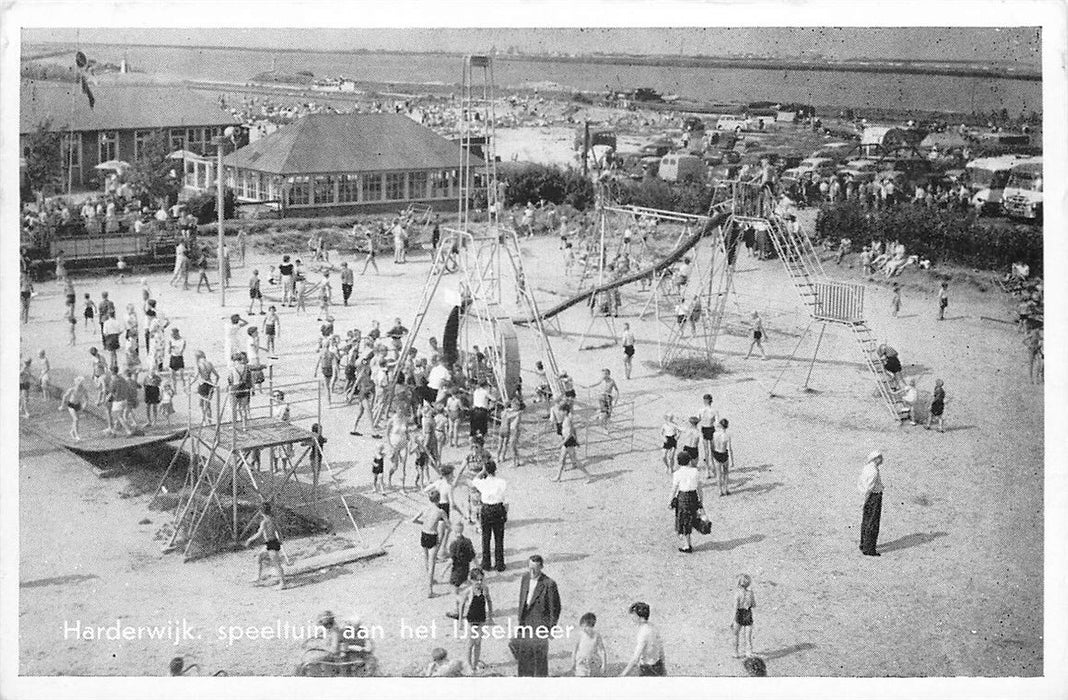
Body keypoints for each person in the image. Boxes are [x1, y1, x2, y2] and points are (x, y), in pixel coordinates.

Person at [513, 555, 562, 677]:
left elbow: (555, 608)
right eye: (530, 568)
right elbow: (522, 600)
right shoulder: (525, 578)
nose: (532, 571)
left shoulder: (549, 584)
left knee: (540, 659)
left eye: (535, 568)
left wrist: (551, 628)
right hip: (525, 623)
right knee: (523, 656)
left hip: (540, 625)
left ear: (541, 567)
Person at [471, 460, 507, 572]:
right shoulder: (501, 482)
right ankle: (499, 563)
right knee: (499, 538)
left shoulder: (483, 482)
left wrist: (482, 471)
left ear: (486, 470)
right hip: (498, 508)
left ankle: (486, 563)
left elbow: (474, 480)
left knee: (486, 537)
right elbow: (506, 500)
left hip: (486, 509)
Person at [413, 489, 447, 598]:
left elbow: (413, 520)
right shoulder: (440, 512)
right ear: (439, 499)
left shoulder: (424, 508)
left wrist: (424, 523)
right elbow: (448, 524)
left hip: (424, 534)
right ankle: (430, 590)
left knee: (426, 558)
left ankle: (430, 580)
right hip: (432, 536)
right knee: (432, 562)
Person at [244, 503, 287, 589]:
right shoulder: (273, 519)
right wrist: (281, 540)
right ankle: (258, 577)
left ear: (261, 512)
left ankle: (282, 583)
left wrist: (249, 540)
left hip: (271, 543)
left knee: (276, 564)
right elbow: (278, 531)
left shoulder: (264, 522)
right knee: (260, 557)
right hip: (272, 543)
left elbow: (259, 533)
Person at [460, 567, 494, 671]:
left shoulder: (485, 589)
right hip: (471, 619)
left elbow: (489, 601)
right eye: (477, 580)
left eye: (481, 579)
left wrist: (490, 616)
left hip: (481, 618)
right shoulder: (469, 591)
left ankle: (475, 664)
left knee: (478, 642)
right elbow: (461, 605)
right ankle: (469, 664)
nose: (479, 582)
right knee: (470, 643)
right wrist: (460, 621)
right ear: (472, 580)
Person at [619, 602, 666, 676]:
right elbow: (661, 652)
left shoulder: (643, 632)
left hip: (648, 670)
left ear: (637, 615)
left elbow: (635, 659)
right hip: (658, 667)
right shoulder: (653, 628)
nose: (632, 618)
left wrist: (622, 675)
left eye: (633, 615)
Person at [670, 451, 703, 553]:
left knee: (683, 520)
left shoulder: (677, 474)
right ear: (689, 461)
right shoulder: (695, 472)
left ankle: (687, 545)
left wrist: (670, 501)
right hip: (693, 496)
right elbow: (699, 488)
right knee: (690, 518)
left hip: (682, 497)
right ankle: (687, 541)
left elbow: (674, 489)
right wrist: (701, 500)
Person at [858, 451, 884, 557]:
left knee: (866, 521)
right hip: (873, 496)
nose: (882, 460)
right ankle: (869, 549)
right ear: (876, 459)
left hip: (869, 496)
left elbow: (861, 483)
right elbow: (869, 487)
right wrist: (866, 498)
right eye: (880, 458)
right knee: (873, 522)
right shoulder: (874, 471)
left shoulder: (866, 468)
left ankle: (864, 544)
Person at [572, 612, 608, 677]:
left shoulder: (596, 636)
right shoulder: (580, 635)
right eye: (582, 627)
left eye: (586, 626)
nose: (584, 629)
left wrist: (604, 664)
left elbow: (602, 650)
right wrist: (573, 663)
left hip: (592, 663)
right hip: (581, 663)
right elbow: (574, 650)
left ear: (592, 626)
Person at [555, 401, 584, 481]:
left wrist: (562, 443)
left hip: (568, 442)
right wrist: (576, 440)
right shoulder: (566, 419)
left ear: (565, 411)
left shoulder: (567, 420)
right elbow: (573, 430)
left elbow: (570, 433)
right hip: (567, 442)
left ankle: (588, 475)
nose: (559, 413)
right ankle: (558, 477)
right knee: (561, 460)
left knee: (575, 461)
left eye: (561, 411)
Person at [732, 574, 756, 657]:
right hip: (748, 613)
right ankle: (748, 652)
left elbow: (735, 607)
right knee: (747, 636)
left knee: (735, 634)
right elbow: (753, 604)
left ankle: (736, 652)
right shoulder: (750, 593)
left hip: (739, 613)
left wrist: (732, 620)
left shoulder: (737, 593)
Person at [58, 376, 89, 441]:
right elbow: (64, 396)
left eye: (81, 385)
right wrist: (62, 406)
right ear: (76, 384)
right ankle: (77, 435)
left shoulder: (84, 390)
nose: (80, 386)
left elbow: (86, 399)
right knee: (76, 419)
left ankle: (72, 432)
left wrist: (83, 407)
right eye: (79, 385)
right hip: (71, 405)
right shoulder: (72, 389)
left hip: (78, 405)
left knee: (76, 421)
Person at [713, 418, 734, 496]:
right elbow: (730, 448)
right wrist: (732, 461)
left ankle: (719, 490)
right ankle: (725, 489)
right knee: (725, 473)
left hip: (717, 453)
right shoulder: (727, 435)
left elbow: (713, 445)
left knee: (718, 474)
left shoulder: (715, 434)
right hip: (724, 454)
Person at [698, 394, 717, 478]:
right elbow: (717, 422)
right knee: (712, 450)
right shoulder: (713, 410)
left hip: (705, 429)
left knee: (707, 450)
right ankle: (711, 469)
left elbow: (697, 420)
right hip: (710, 429)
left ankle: (708, 470)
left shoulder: (701, 410)